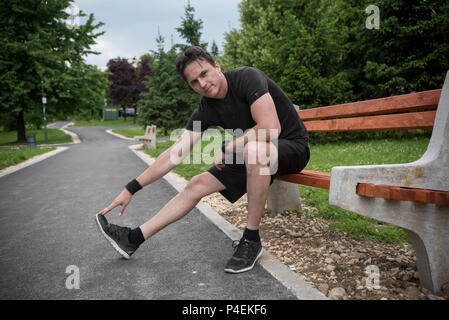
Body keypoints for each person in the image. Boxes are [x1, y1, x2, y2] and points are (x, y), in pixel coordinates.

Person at [96, 46, 310, 274]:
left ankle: (251, 239)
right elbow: (174, 153)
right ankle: (132, 238)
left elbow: (271, 128)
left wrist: (230, 147)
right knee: (197, 183)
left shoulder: (247, 77)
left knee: (254, 151)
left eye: (204, 74)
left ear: (217, 66)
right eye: (194, 82)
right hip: (255, 153)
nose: (203, 84)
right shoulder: (206, 108)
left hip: (292, 147)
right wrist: (131, 188)